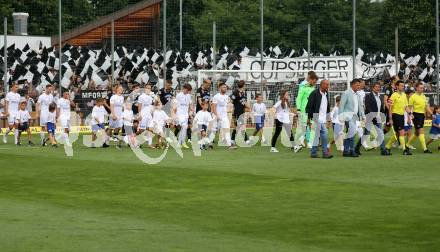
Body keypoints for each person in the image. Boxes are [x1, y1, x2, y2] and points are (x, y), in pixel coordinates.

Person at [305, 79, 333, 159]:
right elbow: (309, 107)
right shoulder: (314, 93)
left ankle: (313, 153)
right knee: (324, 135)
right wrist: (308, 118)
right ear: (321, 85)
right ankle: (325, 153)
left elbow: (327, 107)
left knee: (317, 136)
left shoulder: (326, 94)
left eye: (328, 85)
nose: (328, 86)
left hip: (323, 118)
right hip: (316, 117)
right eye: (326, 85)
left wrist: (328, 118)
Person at [339, 79, 365, 157]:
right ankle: (352, 150)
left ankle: (346, 151)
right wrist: (341, 116)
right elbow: (341, 105)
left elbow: (360, 107)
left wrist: (363, 116)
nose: (358, 86)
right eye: (357, 85)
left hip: (356, 117)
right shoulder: (346, 93)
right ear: (352, 85)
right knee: (352, 132)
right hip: (348, 117)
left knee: (350, 133)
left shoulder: (358, 95)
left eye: (359, 85)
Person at [385, 80, 412, 155]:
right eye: (401, 86)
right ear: (397, 86)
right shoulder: (393, 95)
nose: (403, 87)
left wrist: (410, 113)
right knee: (402, 133)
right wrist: (390, 118)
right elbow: (390, 108)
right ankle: (404, 150)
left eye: (403, 86)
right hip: (395, 115)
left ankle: (387, 147)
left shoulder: (404, 95)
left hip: (401, 116)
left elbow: (406, 107)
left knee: (397, 134)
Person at [363, 81, 390, 156]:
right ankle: (357, 147)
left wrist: (383, 116)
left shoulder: (379, 97)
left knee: (381, 134)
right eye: (376, 87)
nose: (378, 88)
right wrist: (373, 115)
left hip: (378, 119)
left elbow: (381, 108)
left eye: (379, 87)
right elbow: (367, 107)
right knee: (366, 133)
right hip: (370, 118)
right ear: (372, 87)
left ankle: (383, 150)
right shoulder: (368, 96)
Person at [293, 71, 318, 152]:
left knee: (314, 127)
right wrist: (299, 109)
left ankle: (310, 143)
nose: (314, 83)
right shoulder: (303, 87)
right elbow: (299, 98)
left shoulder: (314, 89)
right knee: (301, 129)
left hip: (312, 111)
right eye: (313, 81)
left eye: (315, 82)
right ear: (310, 80)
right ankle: (295, 143)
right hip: (303, 111)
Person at [407, 82, 432, 153]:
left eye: (423, 87)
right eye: (421, 88)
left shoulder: (423, 96)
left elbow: (426, 107)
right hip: (416, 115)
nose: (422, 89)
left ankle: (407, 145)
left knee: (417, 133)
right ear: (417, 88)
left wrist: (432, 114)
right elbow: (409, 108)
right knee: (421, 130)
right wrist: (409, 117)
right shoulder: (413, 97)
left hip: (422, 115)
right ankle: (425, 149)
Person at [212, 82, 236, 150]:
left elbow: (226, 106)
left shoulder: (227, 97)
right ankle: (209, 143)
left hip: (224, 116)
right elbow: (213, 107)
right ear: (220, 88)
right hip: (216, 116)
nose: (225, 88)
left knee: (227, 129)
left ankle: (229, 145)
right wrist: (216, 116)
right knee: (213, 131)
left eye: (226, 87)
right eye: (223, 87)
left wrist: (229, 110)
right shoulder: (216, 96)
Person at [231, 80, 250, 145]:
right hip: (237, 112)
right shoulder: (236, 92)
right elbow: (231, 99)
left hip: (241, 111)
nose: (245, 86)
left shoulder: (242, 93)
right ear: (243, 85)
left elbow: (243, 102)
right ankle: (246, 139)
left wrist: (248, 107)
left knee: (237, 126)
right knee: (241, 126)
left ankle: (232, 139)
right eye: (245, 85)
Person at [173, 83, 193, 149]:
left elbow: (190, 104)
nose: (188, 92)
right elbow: (175, 105)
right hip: (179, 114)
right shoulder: (179, 95)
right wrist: (175, 114)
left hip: (185, 114)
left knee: (184, 128)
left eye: (189, 91)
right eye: (187, 90)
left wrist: (191, 111)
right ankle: (181, 142)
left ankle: (181, 142)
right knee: (183, 127)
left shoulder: (189, 96)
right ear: (184, 89)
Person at [137, 83, 156, 148]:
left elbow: (151, 106)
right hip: (143, 115)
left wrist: (152, 114)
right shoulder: (141, 96)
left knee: (150, 129)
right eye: (147, 88)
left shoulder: (151, 97)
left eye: (150, 88)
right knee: (142, 130)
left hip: (149, 115)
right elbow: (139, 106)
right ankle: (137, 142)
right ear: (145, 89)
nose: (148, 89)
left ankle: (150, 144)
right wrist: (139, 115)